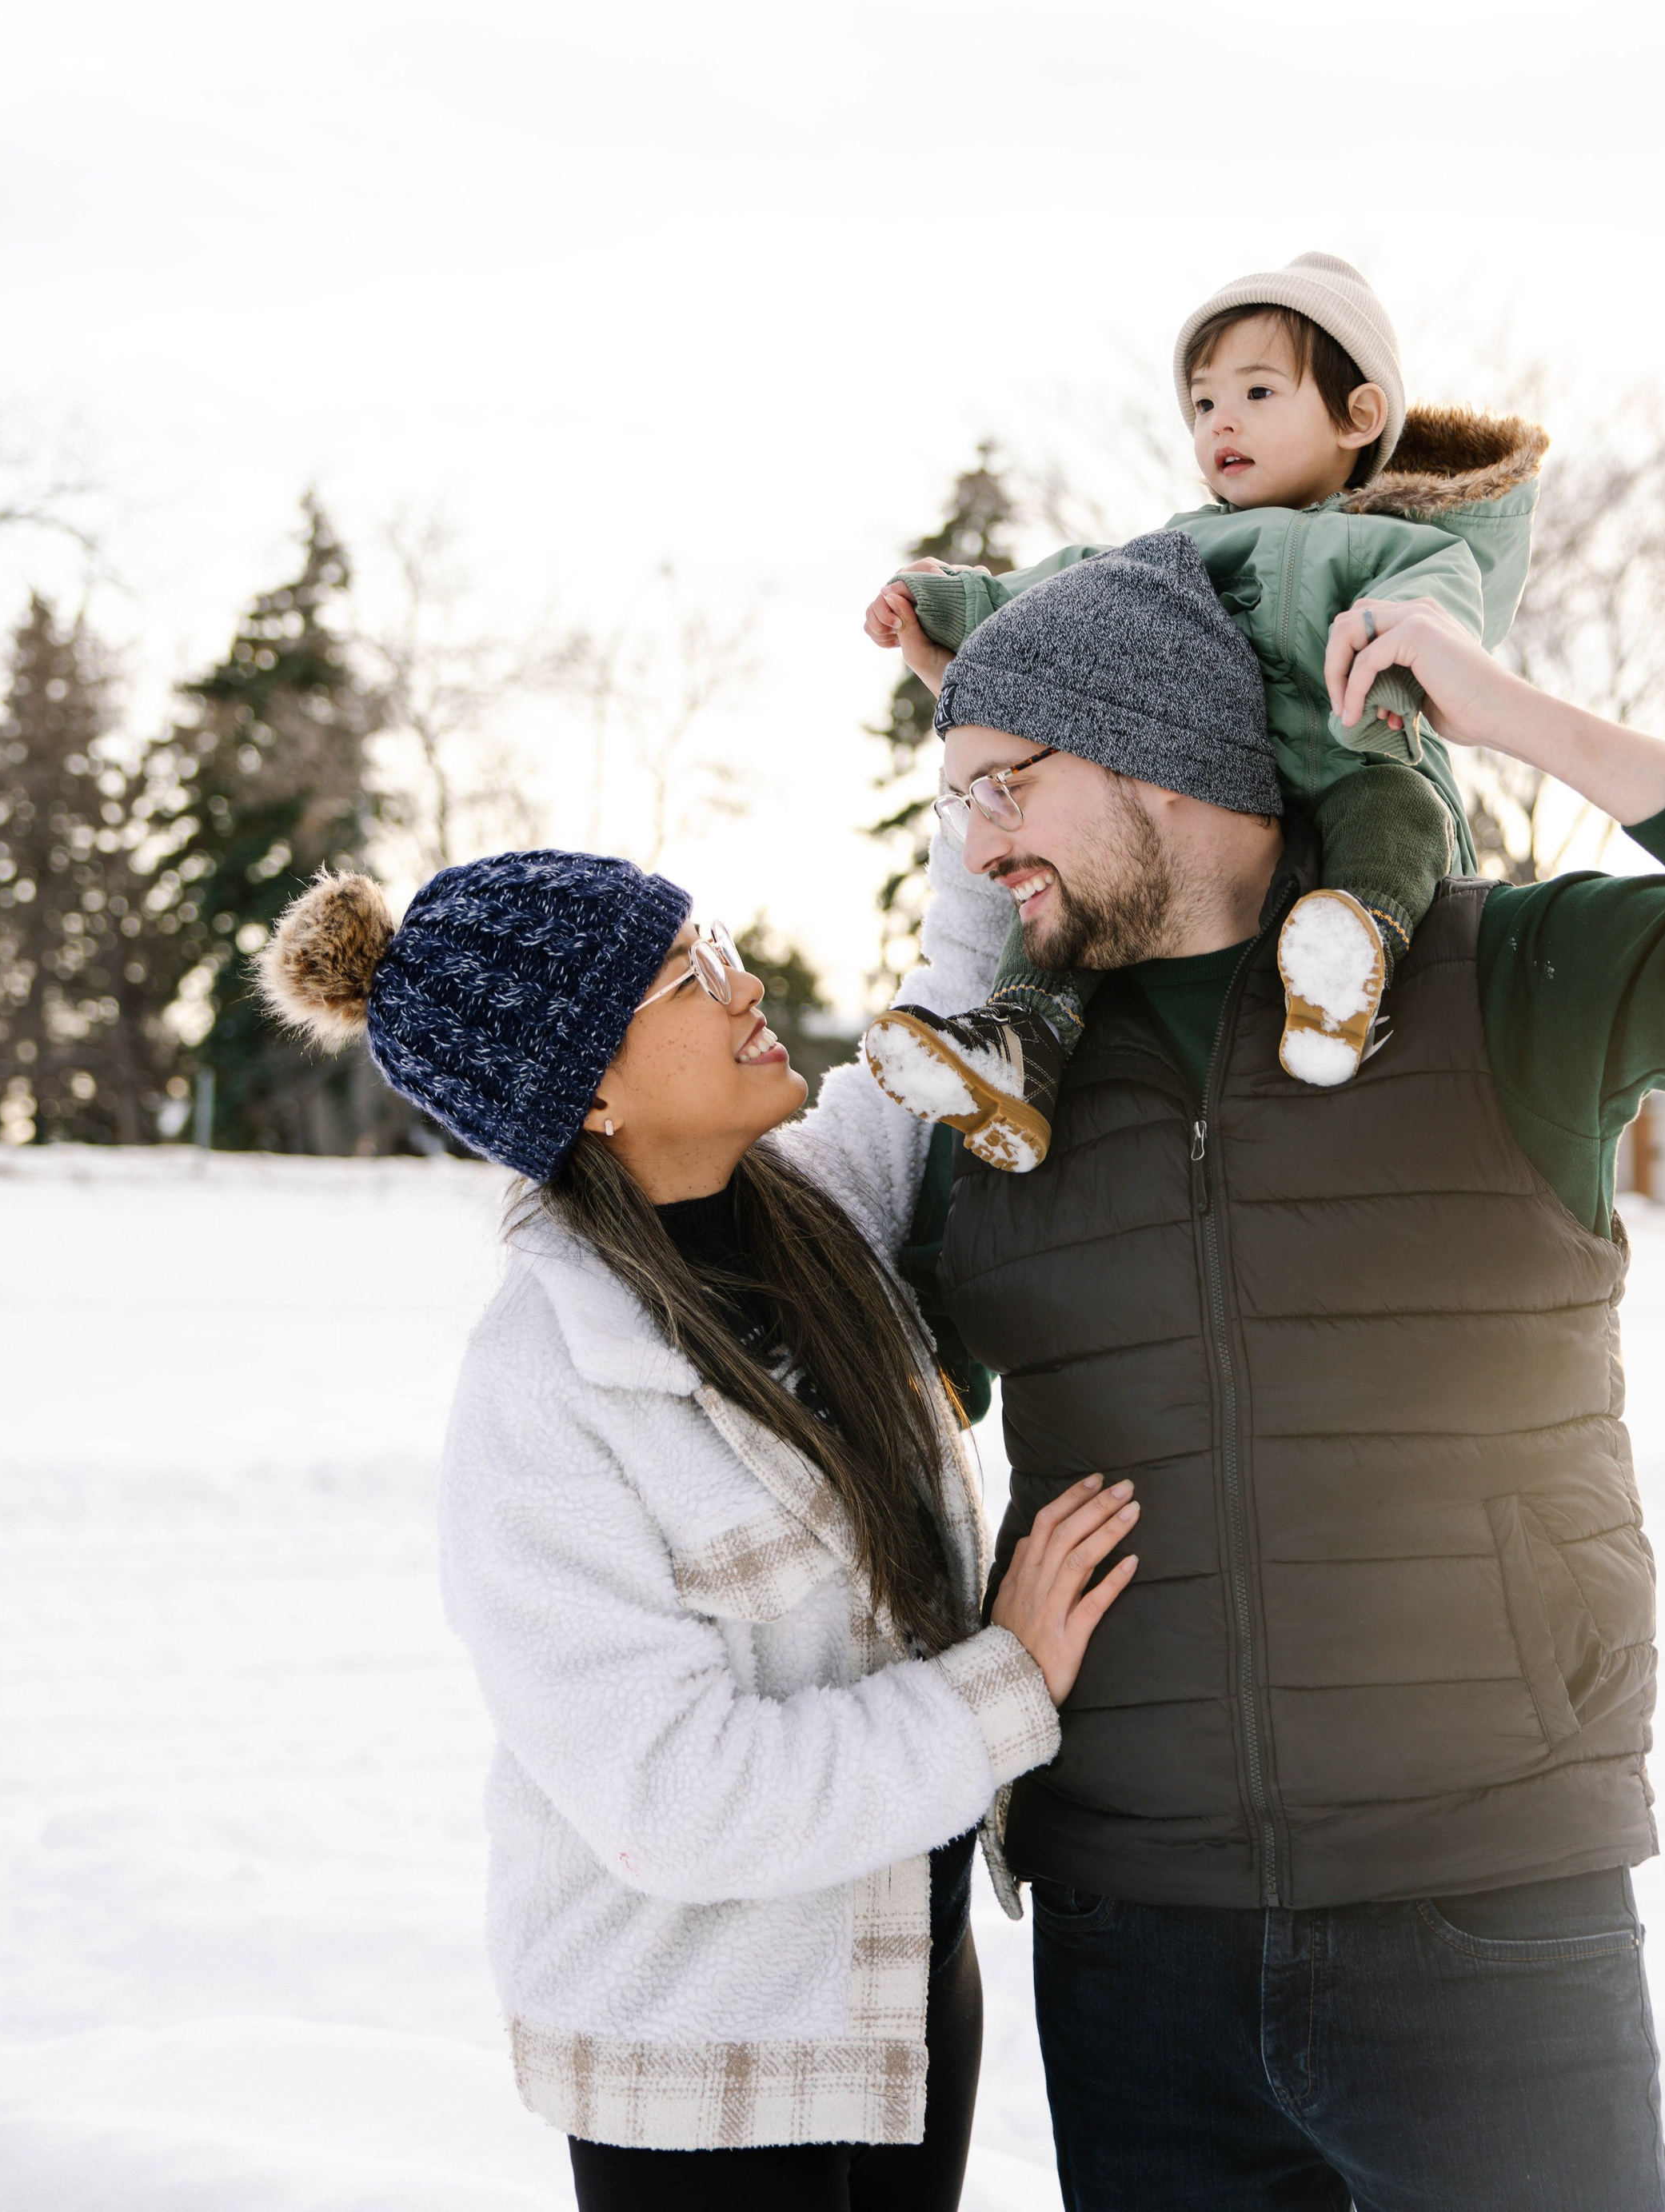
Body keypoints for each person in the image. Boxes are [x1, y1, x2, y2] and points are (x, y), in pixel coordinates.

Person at [888, 557, 1665, 2210]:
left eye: (1004, 786)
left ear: (1155, 751)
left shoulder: (1501, 980)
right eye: (955, 799)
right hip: (1132, 1943)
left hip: (1486, 1909)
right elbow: (846, 1414)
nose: (974, 842)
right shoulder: (1002, 1097)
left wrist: (1515, 716)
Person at [254, 844, 1130, 2211]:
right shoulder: (545, 1394)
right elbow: (678, 1800)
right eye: (690, 972)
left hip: (902, 1983)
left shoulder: (823, 1205)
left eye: (718, 942)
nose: (746, 984)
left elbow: (958, 975)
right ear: (586, 1084)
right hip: (703, 2068)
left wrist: (972, 738)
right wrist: (1002, 1684)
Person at [861, 250, 1547, 1171]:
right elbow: (1060, 593)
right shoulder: (1182, 545)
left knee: (1400, 808)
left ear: (1359, 416)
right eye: (1202, 403)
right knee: (1083, 867)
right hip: (1217, 798)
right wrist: (951, 604)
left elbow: (1437, 618)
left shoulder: (1397, 545)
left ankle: (1351, 953)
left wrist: (1393, 674)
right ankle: (1020, 1043)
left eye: (1258, 393)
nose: (1221, 420)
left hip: (1354, 758)